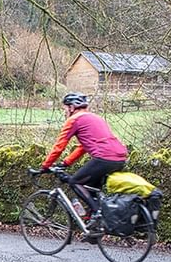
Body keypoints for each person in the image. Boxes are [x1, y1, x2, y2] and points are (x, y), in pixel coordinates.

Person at [40, 92, 128, 229]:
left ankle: (98, 213)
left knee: (75, 181)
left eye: (65, 108)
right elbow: (83, 147)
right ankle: (95, 223)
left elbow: (59, 146)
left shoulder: (74, 119)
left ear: (71, 107)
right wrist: (66, 163)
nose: (65, 112)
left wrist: (46, 165)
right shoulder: (95, 117)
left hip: (103, 157)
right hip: (120, 157)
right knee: (91, 187)